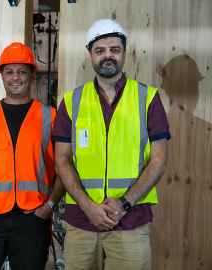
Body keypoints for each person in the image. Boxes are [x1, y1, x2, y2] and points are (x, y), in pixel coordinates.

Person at [53, 19, 170, 270]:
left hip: (131, 220)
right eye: (100, 50)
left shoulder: (148, 98)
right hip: (81, 222)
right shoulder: (72, 101)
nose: (108, 56)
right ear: (90, 54)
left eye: (114, 50)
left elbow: (159, 160)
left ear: (124, 53)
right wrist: (88, 207)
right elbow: (61, 160)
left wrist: (124, 203)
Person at [0, 42, 64, 270]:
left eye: (21, 72)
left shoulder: (51, 116)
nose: (15, 78)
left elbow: (64, 168)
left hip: (33, 218)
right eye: (9, 71)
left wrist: (49, 206)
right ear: (2, 76)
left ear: (31, 75)